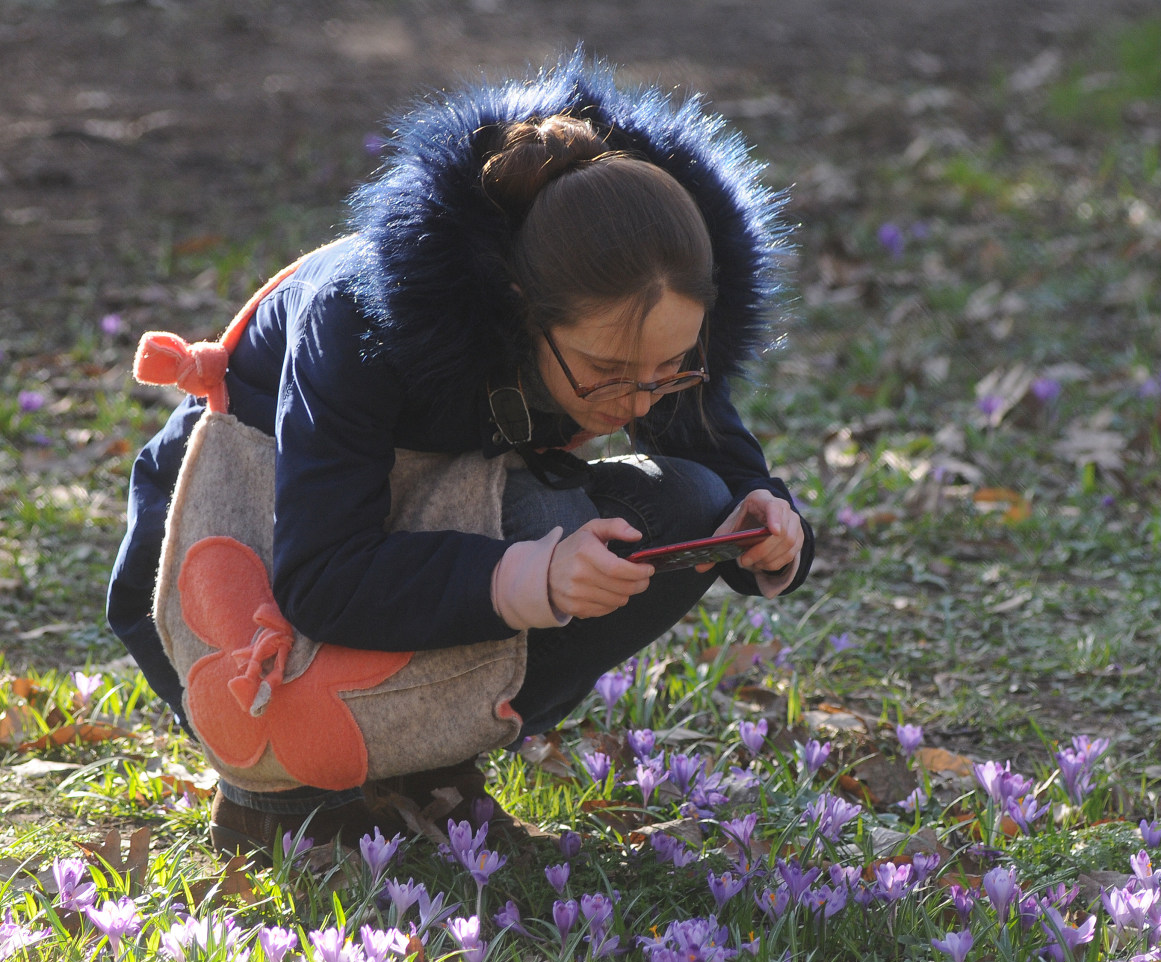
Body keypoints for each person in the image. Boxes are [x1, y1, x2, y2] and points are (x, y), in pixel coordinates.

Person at [106, 52, 814, 854]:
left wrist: (768, 517)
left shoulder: (648, 310)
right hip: (249, 554)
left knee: (691, 502)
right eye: (608, 373)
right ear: (519, 306)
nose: (642, 401)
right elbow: (318, 575)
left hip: (416, 523)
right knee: (282, 717)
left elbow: (716, 459)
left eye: (673, 366)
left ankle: (423, 766)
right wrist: (529, 579)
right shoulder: (362, 318)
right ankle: (283, 790)